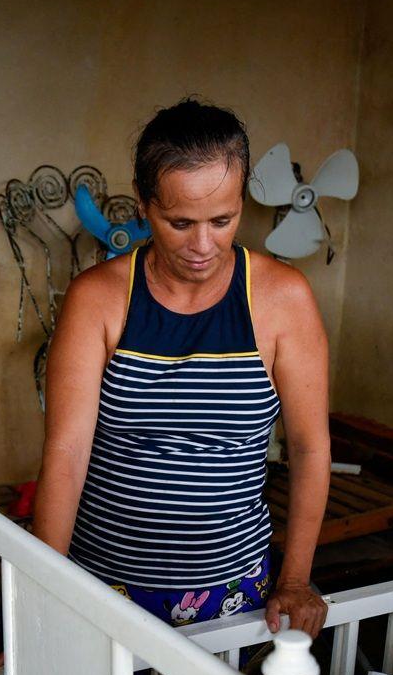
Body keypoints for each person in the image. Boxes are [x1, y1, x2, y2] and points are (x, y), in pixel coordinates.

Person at [32, 98, 331, 638]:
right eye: (179, 222)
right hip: (106, 581)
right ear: (145, 205)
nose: (202, 246)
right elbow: (67, 453)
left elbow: (310, 448)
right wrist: (41, 599)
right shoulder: (98, 299)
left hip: (233, 585)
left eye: (223, 220)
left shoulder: (283, 299)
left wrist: (296, 578)